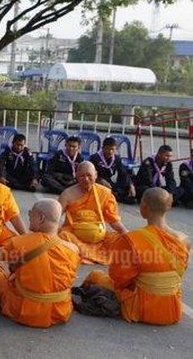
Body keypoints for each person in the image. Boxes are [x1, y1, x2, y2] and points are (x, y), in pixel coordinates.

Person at [83, 188, 190, 325]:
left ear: (143, 207)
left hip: (141, 309)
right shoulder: (184, 240)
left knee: (95, 275)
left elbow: (118, 278)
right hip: (172, 311)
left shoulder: (131, 239)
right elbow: (175, 273)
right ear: (168, 207)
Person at [0, 199, 80, 328]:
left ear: (41, 218)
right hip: (61, 311)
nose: (29, 216)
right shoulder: (73, 249)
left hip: (25, 311)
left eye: (31, 213)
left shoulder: (21, 243)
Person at [58, 162, 128, 265]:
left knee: (120, 239)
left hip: (100, 239)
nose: (86, 179)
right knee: (63, 236)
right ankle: (88, 255)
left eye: (89, 175)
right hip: (74, 236)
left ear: (95, 175)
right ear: (76, 176)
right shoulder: (67, 194)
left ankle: (83, 255)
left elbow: (113, 220)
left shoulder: (104, 193)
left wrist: (124, 231)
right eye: (82, 176)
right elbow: (55, 216)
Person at [89, 137, 137, 205]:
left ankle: (117, 195)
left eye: (112, 149)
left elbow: (123, 173)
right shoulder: (94, 158)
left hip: (108, 181)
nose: (110, 151)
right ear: (103, 148)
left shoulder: (116, 158)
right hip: (97, 181)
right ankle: (115, 196)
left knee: (126, 187)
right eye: (108, 149)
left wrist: (130, 185)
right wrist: (99, 179)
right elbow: (90, 174)